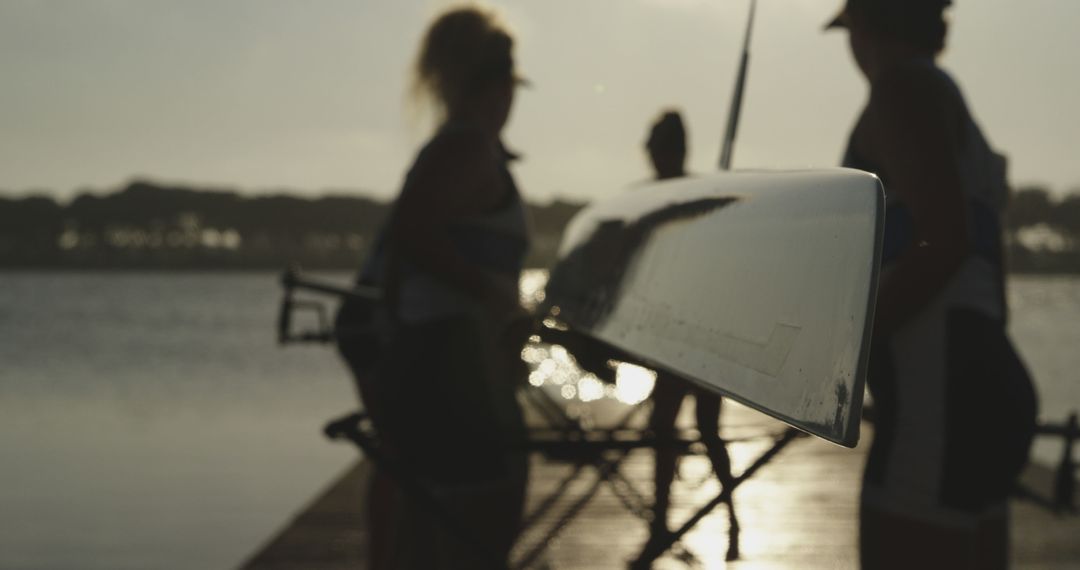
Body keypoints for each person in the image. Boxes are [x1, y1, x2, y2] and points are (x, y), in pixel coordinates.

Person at [827, 1, 1038, 568]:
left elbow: (945, 242)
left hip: (937, 399)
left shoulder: (900, 92)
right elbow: (981, 256)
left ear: (867, 29)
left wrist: (846, 353)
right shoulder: (950, 101)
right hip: (978, 377)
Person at [338, 6, 531, 568]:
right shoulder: (467, 150)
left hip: (430, 353)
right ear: (496, 86)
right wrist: (496, 298)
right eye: (510, 85)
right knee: (478, 523)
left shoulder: (450, 147)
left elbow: (405, 247)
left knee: (419, 498)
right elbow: (414, 235)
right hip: (448, 360)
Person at [634, 110, 740, 563]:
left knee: (705, 431)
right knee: (665, 428)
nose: (651, 156)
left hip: (702, 338)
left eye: (657, 147)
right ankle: (661, 520)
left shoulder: (697, 199)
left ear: (671, 151)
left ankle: (730, 517)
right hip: (671, 337)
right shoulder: (654, 201)